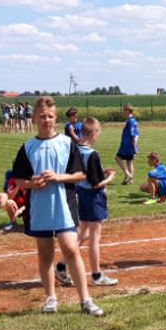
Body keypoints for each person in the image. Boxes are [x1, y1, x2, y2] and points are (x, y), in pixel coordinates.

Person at [11, 95, 105, 316]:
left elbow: (80, 174)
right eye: (42, 116)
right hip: (39, 208)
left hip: (64, 204)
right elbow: (19, 180)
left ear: (56, 118)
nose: (47, 120)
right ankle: (50, 298)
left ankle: (86, 301)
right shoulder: (28, 147)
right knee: (45, 254)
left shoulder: (66, 144)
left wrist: (57, 177)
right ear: (34, 118)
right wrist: (32, 183)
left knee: (71, 249)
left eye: (51, 116)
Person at [58, 117, 119, 287]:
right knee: (94, 237)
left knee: (83, 233)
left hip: (80, 194)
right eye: (98, 132)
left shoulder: (75, 149)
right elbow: (96, 183)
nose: (98, 135)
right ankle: (97, 275)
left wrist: (100, 171)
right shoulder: (92, 154)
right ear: (93, 133)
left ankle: (61, 266)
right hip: (93, 197)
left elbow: (84, 173)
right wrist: (110, 178)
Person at [115, 104, 139, 184]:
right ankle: (130, 180)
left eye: (124, 110)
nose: (123, 112)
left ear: (128, 110)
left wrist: (134, 145)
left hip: (127, 145)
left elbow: (134, 134)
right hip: (129, 144)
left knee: (117, 158)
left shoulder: (131, 121)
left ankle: (128, 175)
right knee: (129, 161)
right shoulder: (133, 120)